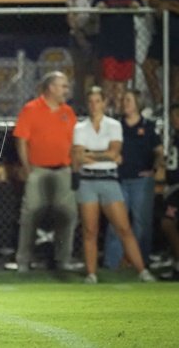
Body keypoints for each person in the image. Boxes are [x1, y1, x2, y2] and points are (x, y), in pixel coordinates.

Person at [72, 86, 156, 284]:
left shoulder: (113, 125)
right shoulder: (80, 127)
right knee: (90, 230)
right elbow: (79, 156)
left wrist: (90, 154)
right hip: (87, 181)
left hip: (109, 180)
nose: (94, 105)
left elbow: (114, 153)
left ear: (104, 103)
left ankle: (142, 271)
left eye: (97, 101)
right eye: (90, 101)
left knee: (124, 228)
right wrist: (103, 156)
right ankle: (91, 274)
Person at [13, 71, 78, 273]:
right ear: (51, 88)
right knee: (30, 216)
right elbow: (21, 140)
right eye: (63, 86)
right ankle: (23, 261)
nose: (67, 90)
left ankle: (63, 260)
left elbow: (74, 142)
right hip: (38, 170)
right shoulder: (31, 109)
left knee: (67, 216)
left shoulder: (68, 112)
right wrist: (27, 168)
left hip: (63, 170)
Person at [103, 89, 164, 269]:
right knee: (116, 222)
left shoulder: (148, 126)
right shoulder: (116, 126)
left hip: (141, 181)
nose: (125, 103)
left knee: (141, 223)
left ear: (138, 103)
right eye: (123, 100)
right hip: (119, 180)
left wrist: (155, 168)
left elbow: (159, 151)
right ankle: (112, 263)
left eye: (128, 100)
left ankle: (140, 261)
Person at [92, 0, 143, 115]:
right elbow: (95, 9)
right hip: (108, 43)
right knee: (107, 82)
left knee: (122, 84)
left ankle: (119, 114)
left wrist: (136, 6)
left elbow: (141, 10)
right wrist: (100, 6)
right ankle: (104, 114)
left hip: (126, 43)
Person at [142, 0, 179, 112]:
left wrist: (168, 5)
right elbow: (152, 0)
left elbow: (166, 5)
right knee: (147, 66)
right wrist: (161, 4)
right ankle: (160, 103)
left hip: (177, 36)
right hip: (161, 35)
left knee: (175, 73)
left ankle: (173, 108)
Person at [66, 0, 103, 112]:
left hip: (98, 33)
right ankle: (80, 106)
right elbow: (70, 14)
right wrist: (77, 32)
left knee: (98, 71)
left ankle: (98, 106)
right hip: (79, 34)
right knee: (80, 72)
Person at [161, 104, 179, 279]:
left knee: (168, 223)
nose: (174, 120)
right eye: (173, 116)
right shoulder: (175, 136)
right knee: (168, 223)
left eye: (177, 116)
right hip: (173, 188)